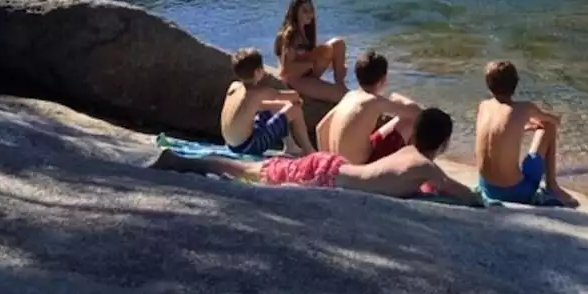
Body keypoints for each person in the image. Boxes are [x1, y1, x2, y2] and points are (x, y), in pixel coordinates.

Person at [149, 107, 483, 206]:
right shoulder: (425, 166)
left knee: (252, 168)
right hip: (326, 176)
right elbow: (465, 194)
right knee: (247, 171)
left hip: (331, 166)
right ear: (443, 143)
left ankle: (185, 160)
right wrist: (480, 199)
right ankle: (181, 162)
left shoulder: (408, 152)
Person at [474, 60, 576, 206]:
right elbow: (553, 121)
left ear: (488, 84)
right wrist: (558, 118)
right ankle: (552, 186)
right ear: (515, 84)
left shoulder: (483, 106)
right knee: (548, 126)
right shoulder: (525, 108)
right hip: (516, 192)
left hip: (487, 187)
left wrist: (521, 127)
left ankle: (549, 185)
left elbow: (498, 129)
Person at [315, 50, 422, 164]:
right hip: (360, 168)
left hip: (340, 164)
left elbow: (320, 128)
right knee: (411, 121)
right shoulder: (374, 101)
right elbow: (417, 112)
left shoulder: (350, 95)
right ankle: (414, 164)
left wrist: (328, 161)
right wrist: (398, 96)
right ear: (383, 79)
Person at [222, 48, 316, 156]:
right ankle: (310, 151)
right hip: (249, 146)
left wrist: (283, 105)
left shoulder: (234, 87)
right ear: (257, 72)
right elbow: (293, 95)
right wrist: (296, 102)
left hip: (232, 145)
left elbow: (258, 106)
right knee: (295, 109)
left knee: (278, 107)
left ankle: (291, 146)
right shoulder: (258, 93)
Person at [274, 0, 347, 104]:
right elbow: (286, 71)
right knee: (341, 96)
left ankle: (340, 83)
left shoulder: (306, 31)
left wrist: (330, 62)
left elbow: (305, 56)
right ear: (295, 12)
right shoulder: (291, 35)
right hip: (295, 79)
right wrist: (312, 62)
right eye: (305, 11)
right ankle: (337, 90)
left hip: (307, 73)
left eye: (311, 10)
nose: (309, 14)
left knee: (338, 43)